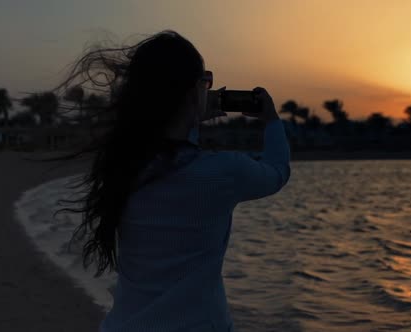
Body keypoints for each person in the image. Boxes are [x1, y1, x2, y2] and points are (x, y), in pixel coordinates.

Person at [51, 30, 291, 331]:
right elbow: (277, 171)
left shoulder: (122, 167)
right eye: (206, 82)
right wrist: (271, 120)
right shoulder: (223, 172)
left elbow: (165, 143)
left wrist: (188, 112)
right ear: (194, 92)